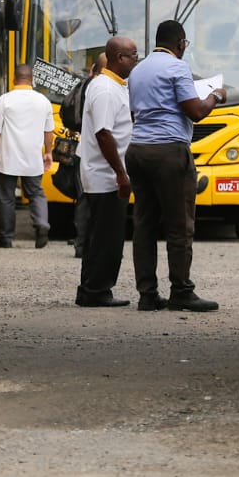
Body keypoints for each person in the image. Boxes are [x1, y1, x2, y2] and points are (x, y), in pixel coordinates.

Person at [126, 19, 226, 312]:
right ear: (180, 44)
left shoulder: (138, 69)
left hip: (138, 150)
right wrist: (214, 96)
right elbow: (195, 112)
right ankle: (181, 290)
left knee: (144, 224)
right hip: (169, 151)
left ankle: (147, 294)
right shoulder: (177, 67)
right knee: (179, 224)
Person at [74, 37, 139, 308]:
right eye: (133, 55)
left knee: (103, 236)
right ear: (119, 58)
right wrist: (121, 173)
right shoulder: (105, 90)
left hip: (108, 173)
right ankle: (96, 290)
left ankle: (93, 288)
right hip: (106, 176)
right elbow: (103, 133)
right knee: (106, 239)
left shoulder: (114, 86)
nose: (137, 60)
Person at [0, 63, 55, 249]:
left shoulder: (5, 100)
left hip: (8, 159)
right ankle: (42, 225)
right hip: (32, 159)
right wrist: (48, 152)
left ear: (14, 79)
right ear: (32, 80)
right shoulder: (43, 101)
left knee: (6, 197)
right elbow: (49, 131)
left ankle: (5, 238)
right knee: (36, 194)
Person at [71, 51, 109, 258]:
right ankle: (93, 245)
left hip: (83, 151)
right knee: (101, 203)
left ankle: (82, 244)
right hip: (97, 152)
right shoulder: (103, 88)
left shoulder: (87, 85)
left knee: (84, 200)